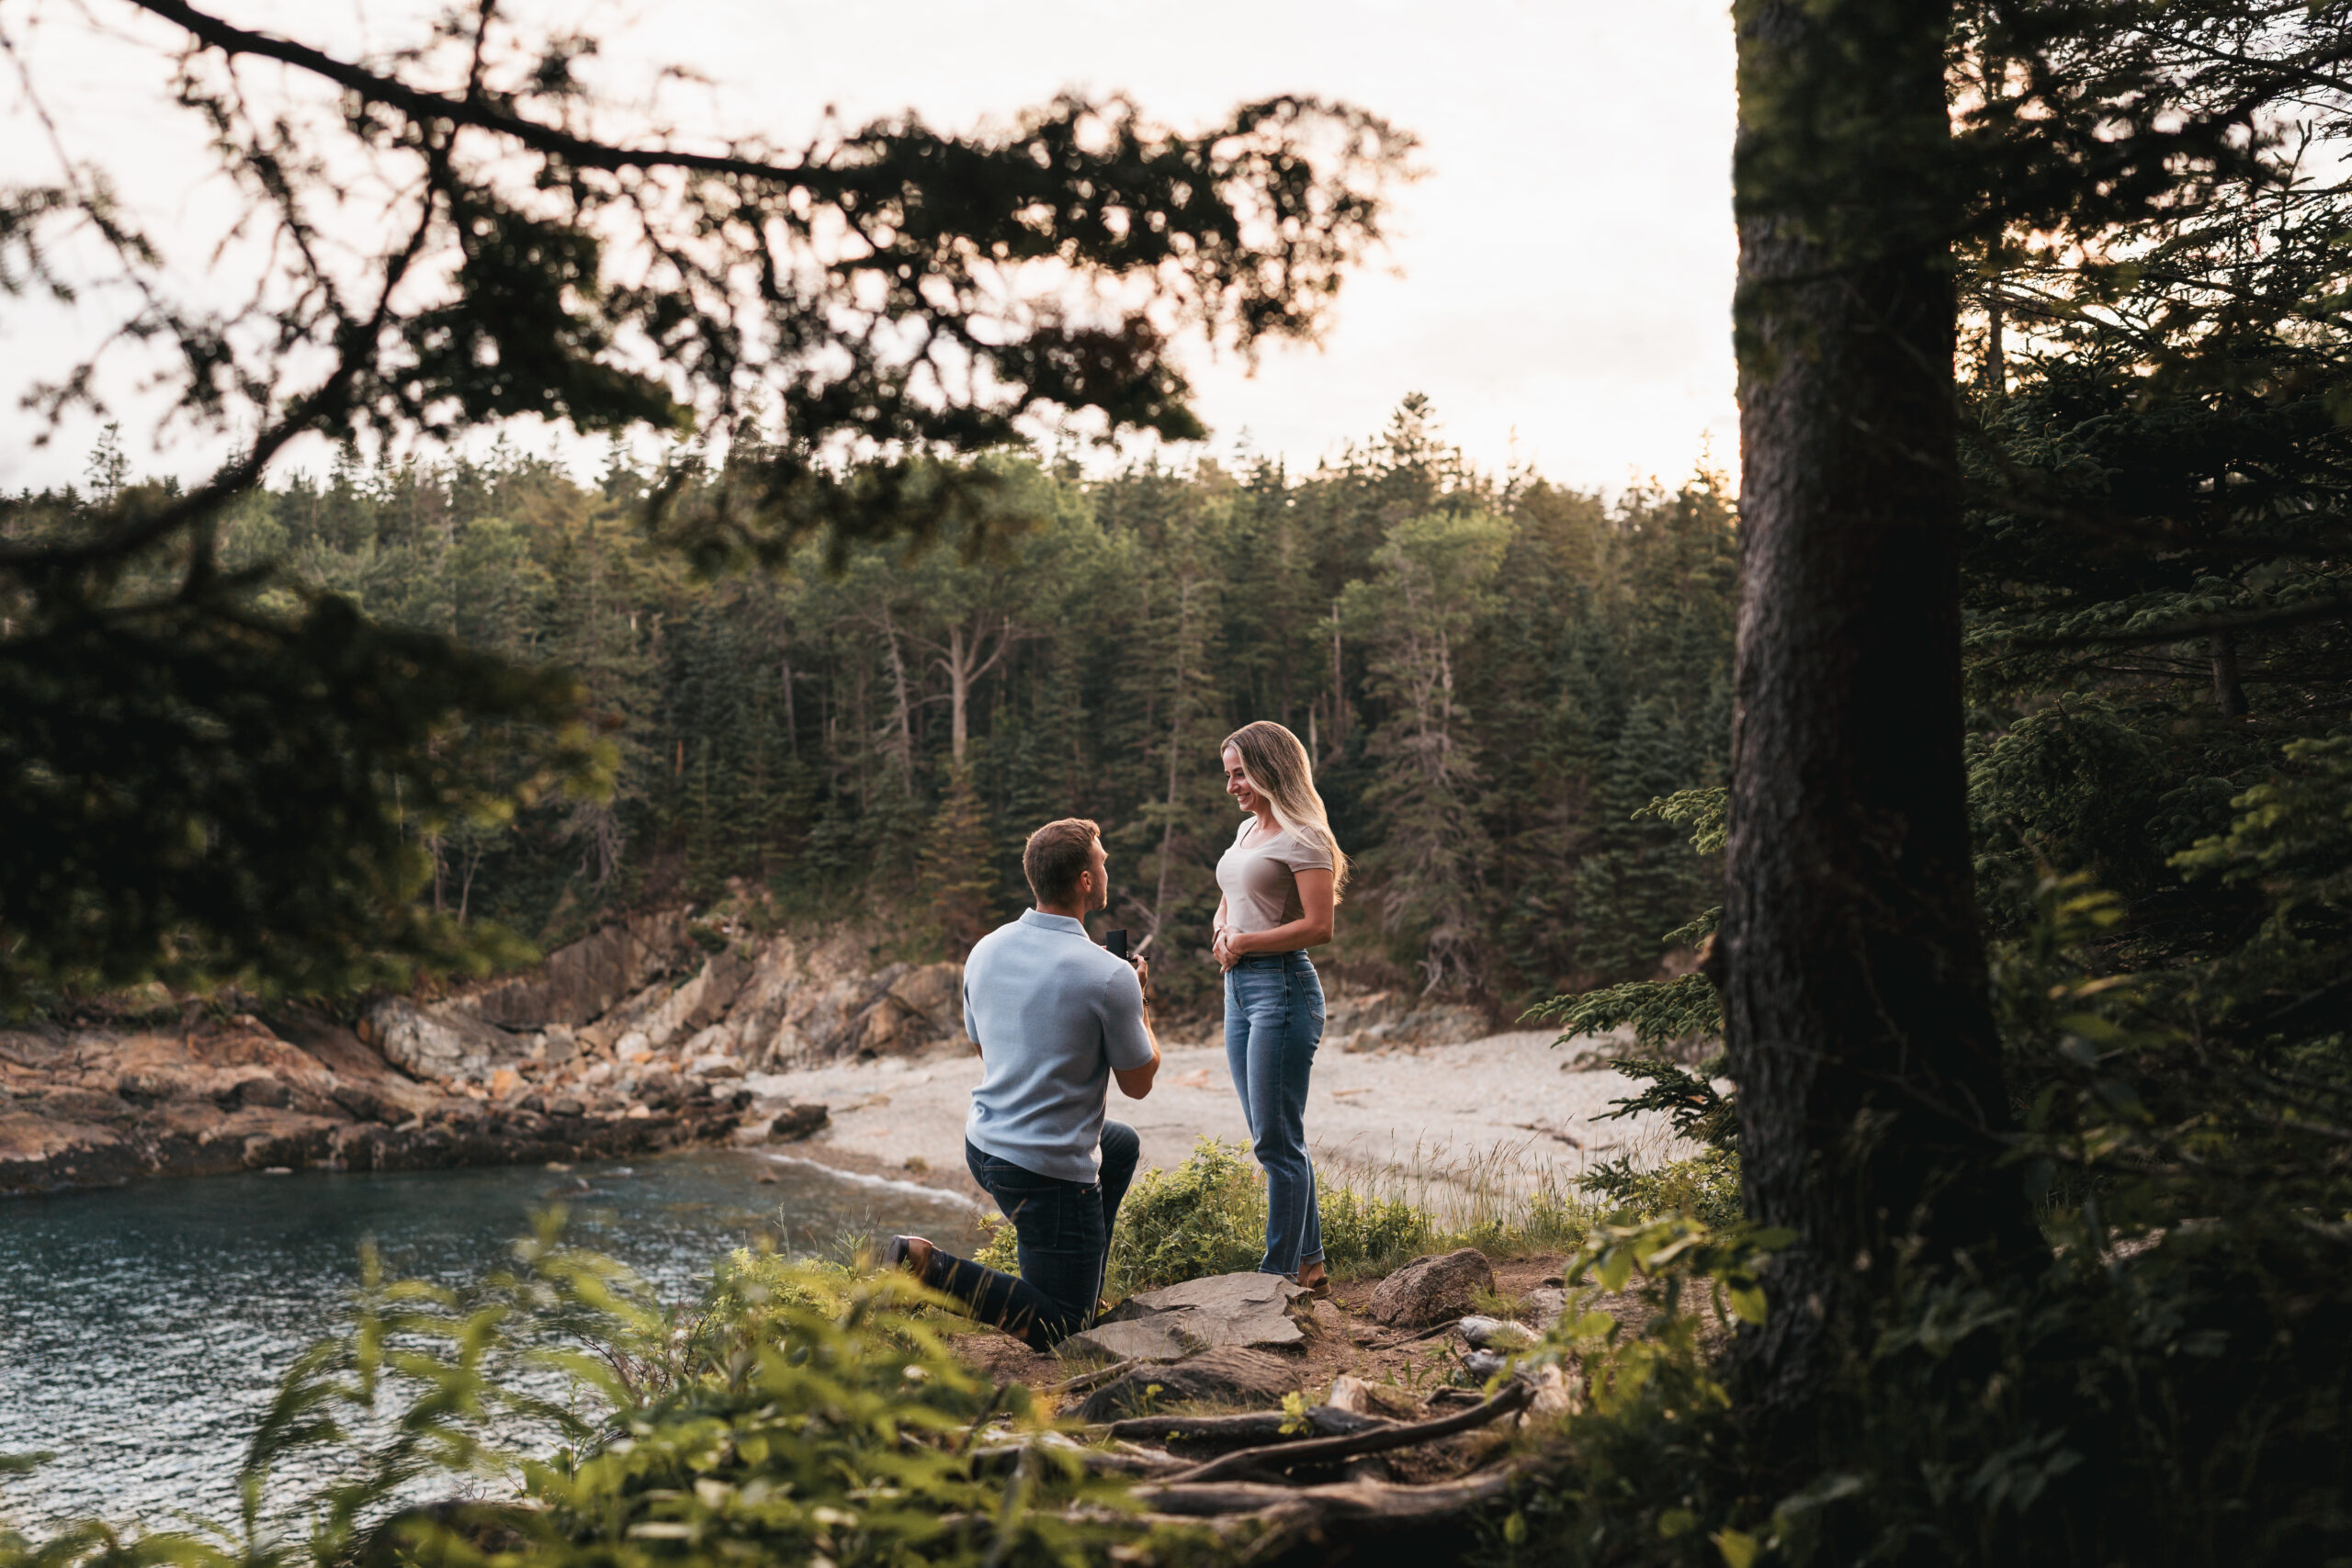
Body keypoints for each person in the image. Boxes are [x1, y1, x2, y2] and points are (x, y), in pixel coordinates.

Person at [885, 818, 1159, 1349]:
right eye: (1102, 861)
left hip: (985, 1147)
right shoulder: (1109, 975)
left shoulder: (985, 950)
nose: (1106, 868)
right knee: (1063, 1328)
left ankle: (1079, 1279)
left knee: (1119, 1144)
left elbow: (984, 1046)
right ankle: (926, 1264)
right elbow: (1140, 1082)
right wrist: (1140, 998)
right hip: (1046, 1172)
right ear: (1084, 880)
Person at [1211, 720, 1349, 1294]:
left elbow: (1319, 926)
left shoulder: (1306, 836)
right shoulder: (1247, 832)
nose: (1233, 786)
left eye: (1241, 774)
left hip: (1283, 992)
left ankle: (1276, 1278)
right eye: (1229, 775)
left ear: (1271, 768)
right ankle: (1310, 1264)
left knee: (1274, 1141)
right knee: (1274, 1134)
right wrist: (1221, 931)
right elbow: (1231, 899)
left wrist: (1243, 943)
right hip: (1238, 991)